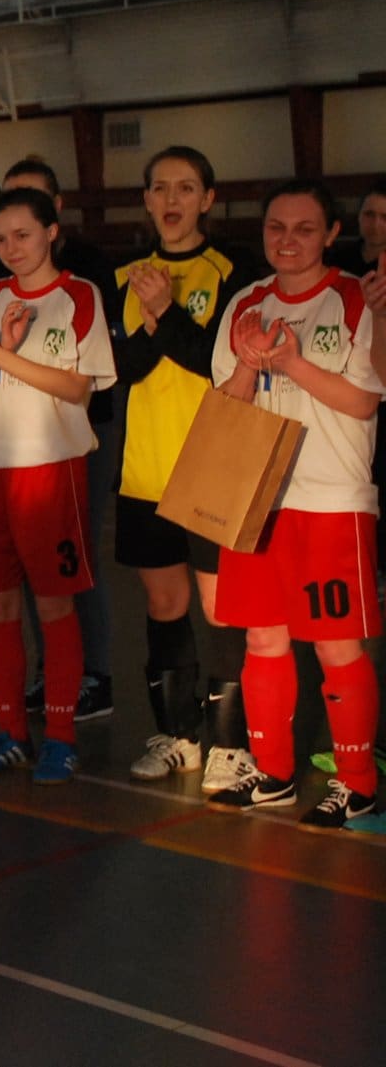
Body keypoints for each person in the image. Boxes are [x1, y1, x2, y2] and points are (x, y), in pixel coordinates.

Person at [207, 180, 381, 828]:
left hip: (331, 496)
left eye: (304, 228)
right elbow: (225, 404)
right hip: (257, 496)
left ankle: (358, 784)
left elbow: (364, 399)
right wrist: (249, 365)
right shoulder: (245, 303)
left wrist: (293, 363)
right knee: (262, 638)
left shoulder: (357, 298)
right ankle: (274, 772)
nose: (287, 240)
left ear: (332, 233)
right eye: (276, 227)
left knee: (336, 646)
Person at [0, 189, 116, 785]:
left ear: (51, 231)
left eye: (22, 234)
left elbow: (77, 388)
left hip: (49, 468)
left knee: (53, 604)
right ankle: (10, 734)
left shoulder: (79, 296)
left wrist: (2, 353)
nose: (11, 248)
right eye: (0, 239)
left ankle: (61, 738)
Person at [111, 146, 257, 789]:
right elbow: (125, 369)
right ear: (146, 199)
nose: (172, 199)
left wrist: (166, 312)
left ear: (208, 198)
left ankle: (230, 746)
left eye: (186, 188)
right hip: (146, 467)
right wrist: (151, 323)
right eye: (161, 188)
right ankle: (180, 737)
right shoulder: (125, 276)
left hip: (213, 465)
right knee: (164, 603)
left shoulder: (234, 272)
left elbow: (215, 361)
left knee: (222, 609)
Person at [0, 158, 122, 720]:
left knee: (77, 555)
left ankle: (93, 674)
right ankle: (52, 669)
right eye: (8, 204)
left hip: (83, 430)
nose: (15, 229)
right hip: (20, 440)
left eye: (31, 202)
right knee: (31, 560)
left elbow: (92, 369)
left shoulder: (88, 272)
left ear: (54, 215)